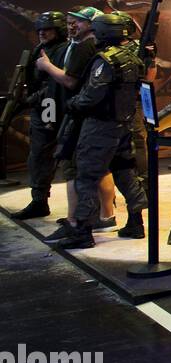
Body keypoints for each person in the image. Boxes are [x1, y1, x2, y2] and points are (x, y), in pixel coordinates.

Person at [49, 12, 148, 249]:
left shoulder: (106, 60)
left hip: (99, 128)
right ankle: (136, 222)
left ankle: (83, 231)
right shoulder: (134, 58)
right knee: (125, 173)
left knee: (86, 177)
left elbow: (91, 97)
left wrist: (72, 104)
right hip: (122, 125)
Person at [35, 7, 115, 234]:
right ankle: (105, 216)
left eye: (78, 22)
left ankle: (75, 222)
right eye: (70, 21)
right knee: (97, 166)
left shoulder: (85, 47)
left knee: (72, 166)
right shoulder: (87, 45)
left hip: (80, 114)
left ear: (92, 24)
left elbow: (70, 82)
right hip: (83, 113)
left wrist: (47, 66)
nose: (72, 25)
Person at [13, 11, 68, 220]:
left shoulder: (64, 50)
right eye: (40, 29)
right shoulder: (41, 48)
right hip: (45, 107)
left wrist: (32, 99)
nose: (42, 33)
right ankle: (39, 200)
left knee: (62, 157)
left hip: (54, 106)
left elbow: (57, 83)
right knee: (37, 156)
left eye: (48, 29)